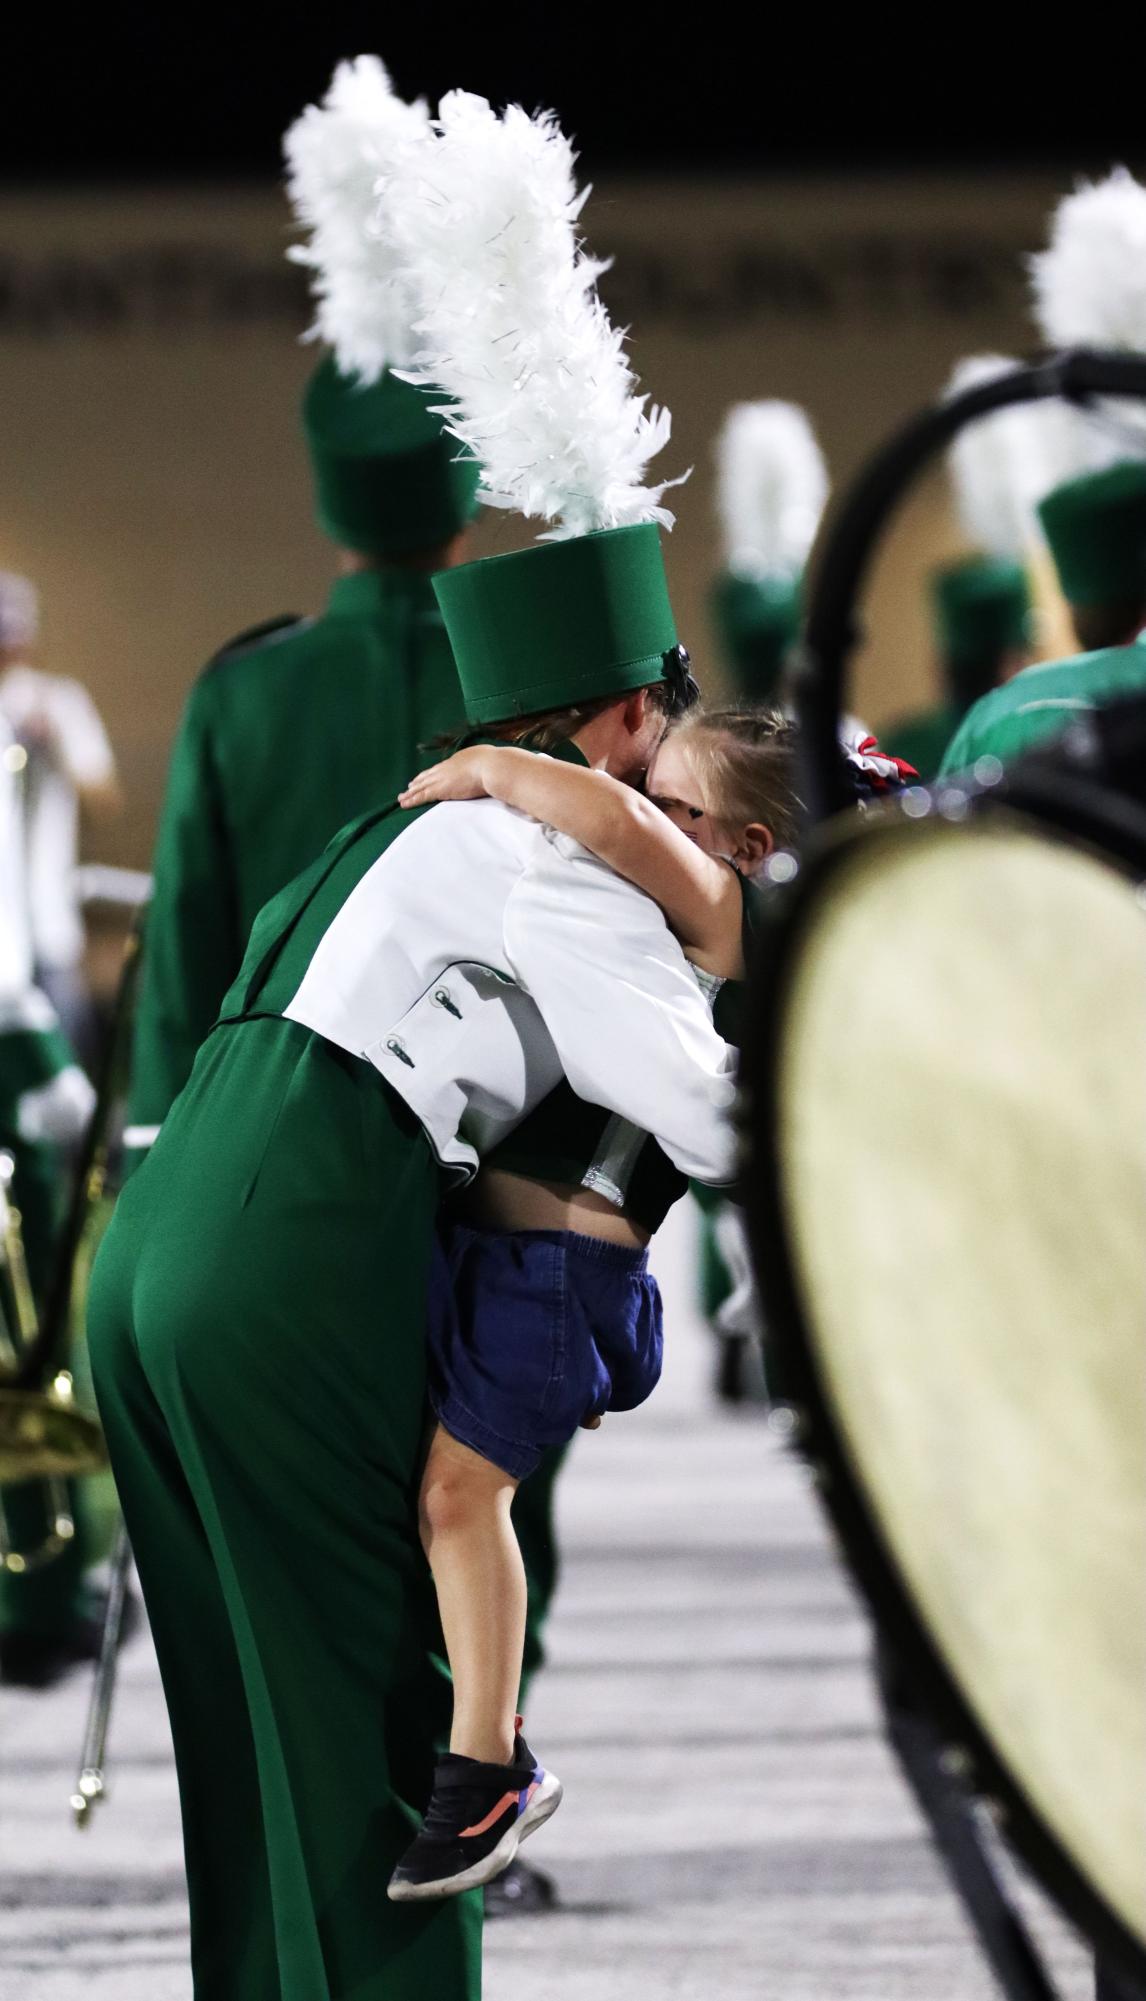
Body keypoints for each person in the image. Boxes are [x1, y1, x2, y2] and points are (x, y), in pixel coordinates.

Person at [88, 92, 738, 1999]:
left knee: (256, 1764)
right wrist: (735, 917)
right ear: (615, 716)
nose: (678, 765)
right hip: (296, 1261)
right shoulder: (562, 858)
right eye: (668, 725)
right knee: (385, 1758)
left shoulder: (434, 806)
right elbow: (731, 1111)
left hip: (175, 1238)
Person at [385, 705, 800, 1900]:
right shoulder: (677, 911)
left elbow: (604, 820)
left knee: (462, 1503)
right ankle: (478, 1745)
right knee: (445, 1501)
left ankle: (488, 1768)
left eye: (678, 814)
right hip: (524, 1260)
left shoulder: (733, 917)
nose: (646, 831)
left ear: (748, 845)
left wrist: (483, 765)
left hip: (563, 1273)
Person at [0, 571, 121, 1062]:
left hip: (48, 920)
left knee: (63, 1069)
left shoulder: (59, 700)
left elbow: (104, 798)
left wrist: (59, 750)